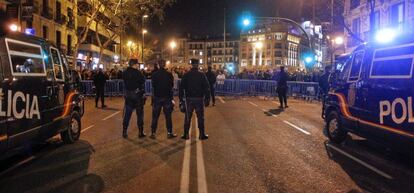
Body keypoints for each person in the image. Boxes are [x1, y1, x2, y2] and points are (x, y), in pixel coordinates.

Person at [179, 59, 210, 140]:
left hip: (189, 99)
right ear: (198, 65)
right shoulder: (202, 75)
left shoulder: (186, 75)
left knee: (187, 117)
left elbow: (181, 88)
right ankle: (201, 134)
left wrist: (181, 99)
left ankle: (186, 134)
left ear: (191, 65)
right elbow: (207, 87)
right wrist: (207, 99)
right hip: (199, 99)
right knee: (200, 117)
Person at [150, 60, 178, 139]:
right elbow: (171, 85)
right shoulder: (169, 74)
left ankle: (153, 133)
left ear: (158, 65)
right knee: (168, 116)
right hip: (167, 97)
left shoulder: (154, 74)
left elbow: (153, 85)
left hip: (157, 97)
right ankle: (169, 132)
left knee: (155, 116)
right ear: (165, 65)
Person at [122, 59, 147, 138]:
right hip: (137, 96)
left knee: (127, 114)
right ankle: (140, 132)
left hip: (128, 95)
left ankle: (124, 131)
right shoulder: (138, 73)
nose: (138, 65)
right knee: (139, 115)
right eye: (137, 64)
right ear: (135, 64)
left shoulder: (125, 73)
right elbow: (143, 80)